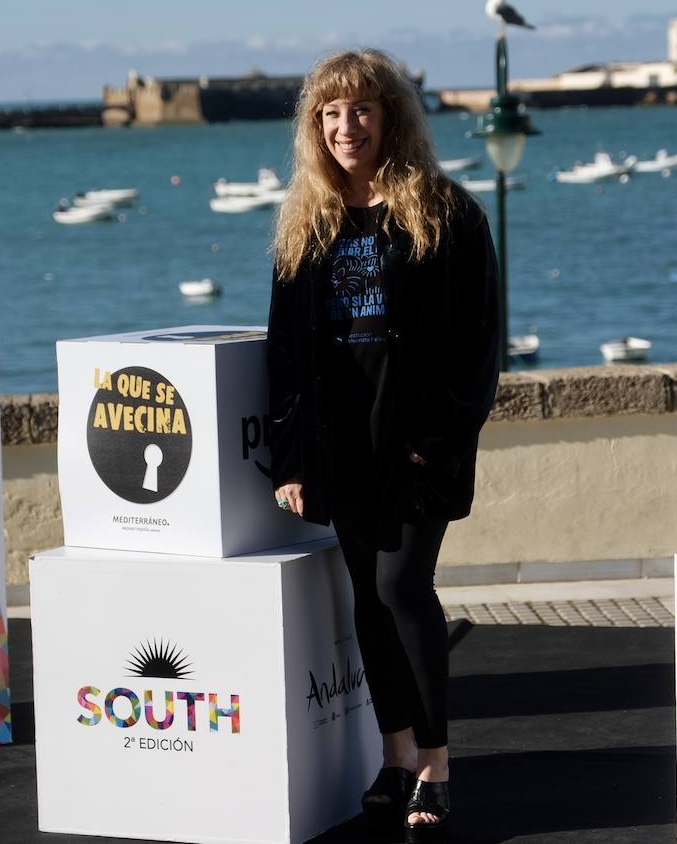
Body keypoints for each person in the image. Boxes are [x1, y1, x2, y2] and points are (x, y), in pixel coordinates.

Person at [266, 49, 501, 840]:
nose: (346, 126)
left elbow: (478, 346)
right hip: (340, 447)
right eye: (330, 113)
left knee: (404, 589)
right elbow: (285, 353)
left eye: (361, 109)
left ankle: (435, 764)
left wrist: (436, 443)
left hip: (414, 448)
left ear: (391, 116)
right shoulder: (307, 220)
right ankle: (393, 754)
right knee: (366, 598)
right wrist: (291, 458)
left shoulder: (447, 213)